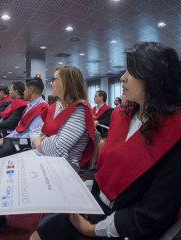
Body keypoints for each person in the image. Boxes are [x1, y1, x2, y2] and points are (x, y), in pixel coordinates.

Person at [30, 42, 181, 240]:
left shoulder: (175, 133)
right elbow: (102, 168)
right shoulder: (122, 116)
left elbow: (151, 213)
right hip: (97, 203)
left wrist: (91, 230)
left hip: (124, 224)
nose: (122, 77)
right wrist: (83, 197)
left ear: (156, 79)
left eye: (132, 71)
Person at [0, 66, 95, 235]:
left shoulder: (79, 110)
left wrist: (42, 140)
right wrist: (41, 140)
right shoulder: (56, 106)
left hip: (62, 167)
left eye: (55, 79)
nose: (51, 83)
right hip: (41, 156)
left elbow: (56, 149)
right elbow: (36, 132)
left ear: (67, 83)